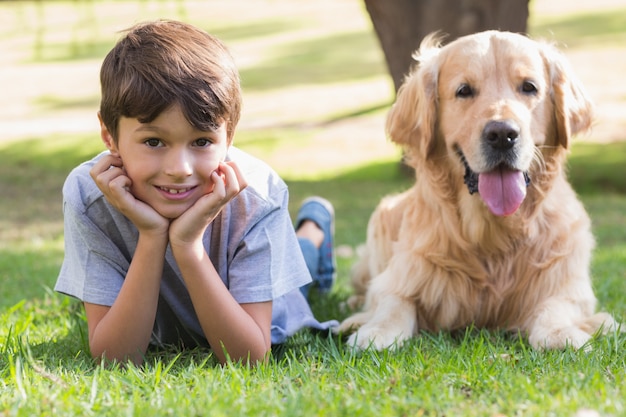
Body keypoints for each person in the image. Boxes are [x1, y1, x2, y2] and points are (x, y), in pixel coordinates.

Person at [54, 20, 337, 366]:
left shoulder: (258, 196)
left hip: (266, 306)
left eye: (202, 141)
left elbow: (249, 359)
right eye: (154, 141)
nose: (180, 168)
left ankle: (314, 226)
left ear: (229, 137)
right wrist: (152, 234)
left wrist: (187, 246)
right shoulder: (90, 196)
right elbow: (116, 359)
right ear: (109, 135)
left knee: (297, 277)